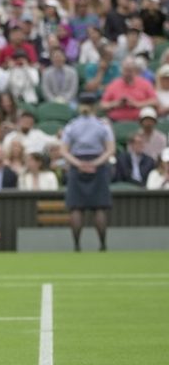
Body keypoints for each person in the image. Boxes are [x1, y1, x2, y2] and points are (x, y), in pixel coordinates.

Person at [60, 93, 117, 251]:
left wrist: (78, 164)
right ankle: (102, 244)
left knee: (76, 208)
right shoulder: (103, 125)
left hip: (77, 164)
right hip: (97, 165)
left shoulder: (72, 125)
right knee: (99, 207)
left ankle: (77, 245)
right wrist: (94, 163)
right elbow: (110, 149)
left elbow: (63, 151)